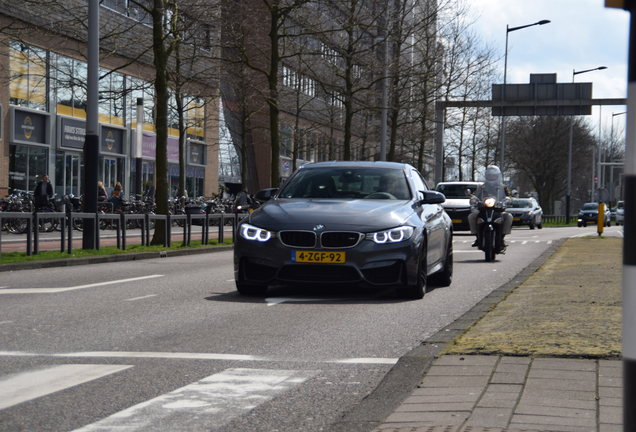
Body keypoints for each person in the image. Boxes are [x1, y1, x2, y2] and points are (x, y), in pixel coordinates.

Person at [468, 165, 513, 247]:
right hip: (483, 209)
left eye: (493, 175)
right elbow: (475, 195)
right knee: (472, 216)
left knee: (508, 217)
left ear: (497, 176)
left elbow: (509, 196)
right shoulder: (481, 187)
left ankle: (502, 238)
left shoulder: (503, 187)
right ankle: (478, 237)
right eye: (490, 175)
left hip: (499, 209)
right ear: (486, 176)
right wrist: (473, 199)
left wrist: (508, 200)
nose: (491, 177)